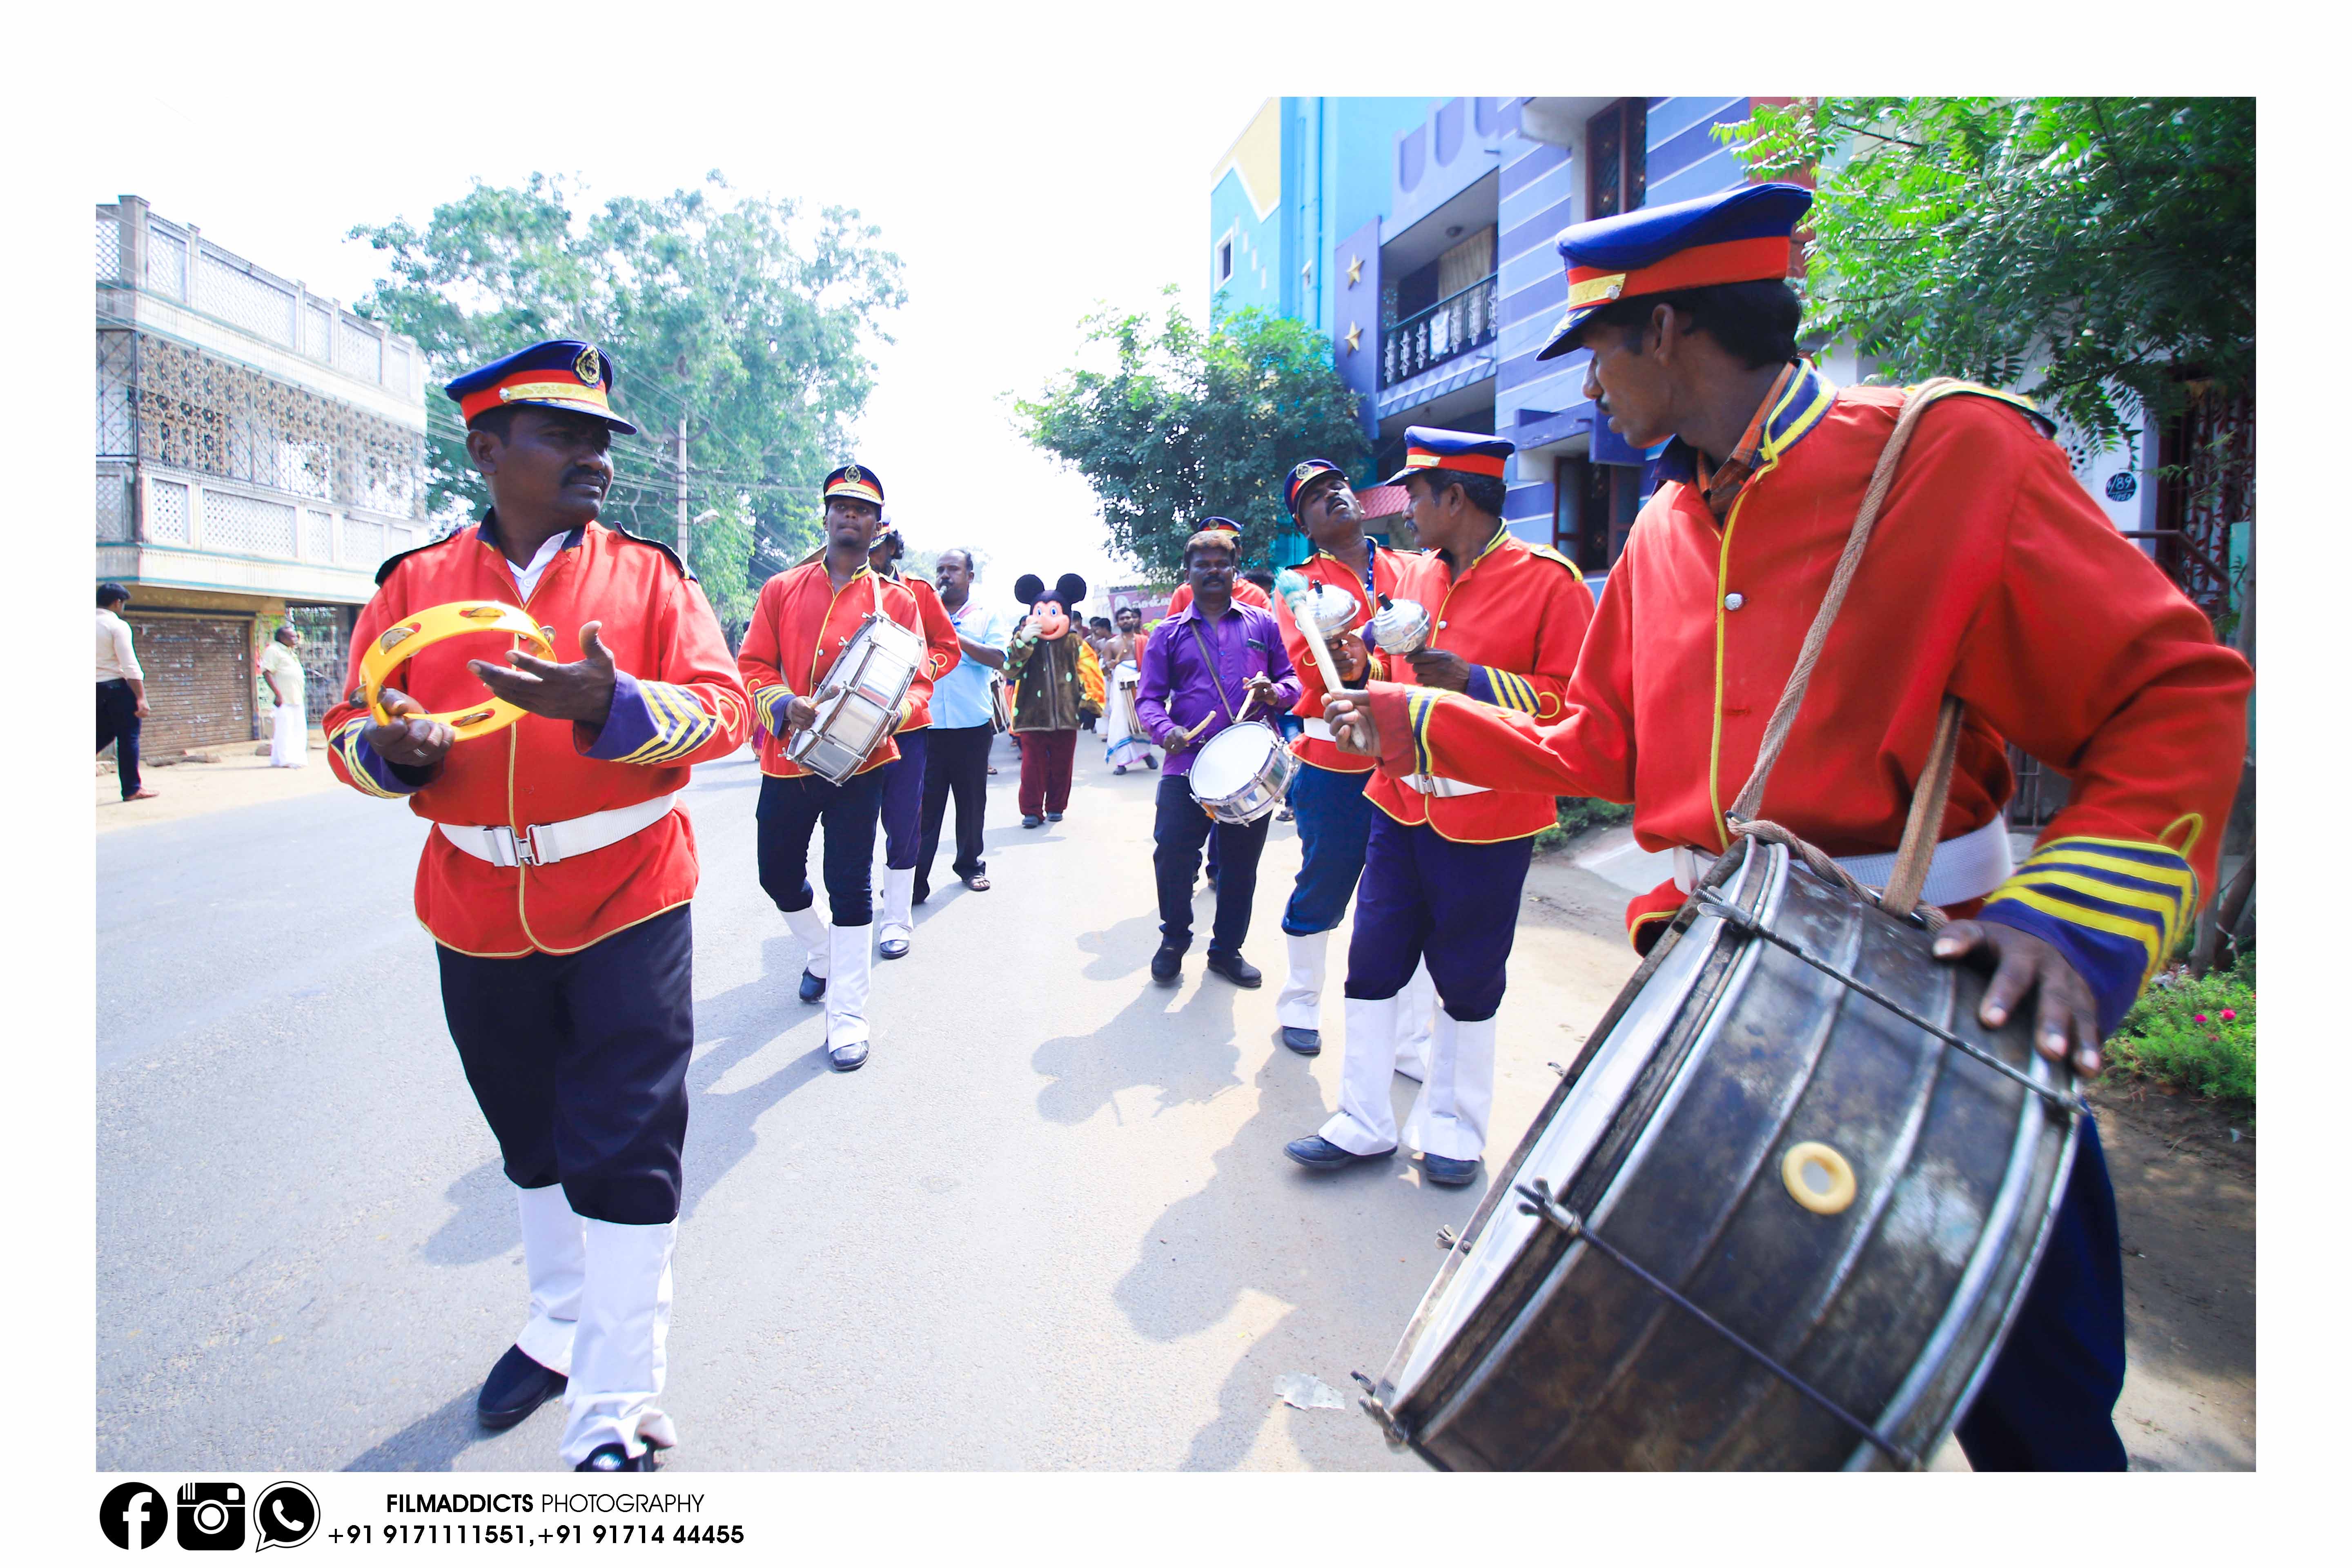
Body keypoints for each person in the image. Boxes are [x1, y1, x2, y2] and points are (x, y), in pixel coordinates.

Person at [1323, 183, 2254, 1469]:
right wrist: (1417, 718)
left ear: (1665, 335)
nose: (1589, 382)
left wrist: (2077, 921)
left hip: (1937, 1020)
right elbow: (1602, 743)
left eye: (1596, 348)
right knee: (1740, 1394)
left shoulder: (1941, 452)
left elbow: (2174, 692)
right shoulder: (1657, 528)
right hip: (1723, 1010)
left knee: (2037, 1418)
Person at [320, 340, 752, 1472]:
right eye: (564, 434)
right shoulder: (413, 584)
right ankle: (558, 1324)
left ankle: (616, 1398)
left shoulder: (651, 576)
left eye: (601, 439)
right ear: (485, 448)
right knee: (530, 1135)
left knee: (626, 1139)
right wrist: (396, 754)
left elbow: (724, 716)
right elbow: (346, 734)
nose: (594, 458)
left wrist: (613, 704)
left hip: (628, 888)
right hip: (471, 898)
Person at [1284, 427, 1593, 1188]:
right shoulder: (1415, 575)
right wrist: (1360, 667)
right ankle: (1363, 1120)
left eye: (1416, 496)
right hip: (1399, 799)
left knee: (1469, 973)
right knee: (1373, 959)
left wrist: (1475, 681)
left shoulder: (1552, 581)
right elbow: (1393, 671)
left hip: (1490, 815)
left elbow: (1575, 711)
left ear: (1456, 498)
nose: (1403, 509)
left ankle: (1453, 1129)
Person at [737, 463, 934, 1072]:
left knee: (850, 887)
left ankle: (847, 1013)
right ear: (825, 516)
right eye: (841, 506)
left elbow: (921, 681)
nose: (851, 517)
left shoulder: (899, 600)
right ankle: (821, 954)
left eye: (863, 510)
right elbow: (751, 667)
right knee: (777, 876)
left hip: (862, 764)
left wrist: (890, 714)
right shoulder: (781, 589)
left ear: (878, 524)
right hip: (787, 761)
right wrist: (781, 704)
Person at [1265, 459, 1436, 1067]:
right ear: (1304, 524)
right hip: (1335, 759)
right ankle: (1301, 1002)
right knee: (1327, 882)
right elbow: (1312, 666)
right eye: (1314, 496)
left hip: (1409, 754)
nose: (1333, 496)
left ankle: (1411, 1041)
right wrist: (1371, 654)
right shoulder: (1294, 583)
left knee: (1409, 899)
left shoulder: (1415, 567)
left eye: (1337, 486)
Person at [1134, 529, 1301, 987]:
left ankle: (1226, 951)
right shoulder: (1167, 633)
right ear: (1187, 574)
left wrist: (1276, 691)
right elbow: (1148, 700)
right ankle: (1174, 939)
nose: (1212, 570)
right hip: (1187, 765)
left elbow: (1294, 681)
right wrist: (1166, 732)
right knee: (1171, 851)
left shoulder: (1262, 624)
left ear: (1235, 570)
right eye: (1202, 564)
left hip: (1250, 768)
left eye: (1222, 563)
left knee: (1239, 867)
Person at [866, 520, 961, 960]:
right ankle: (856, 911)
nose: (869, 554)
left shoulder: (919, 592)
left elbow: (948, 647)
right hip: (853, 725)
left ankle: (897, 918)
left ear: (892, 549)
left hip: (906, 725)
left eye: (878, 546)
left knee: (904, 822)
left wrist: (914, 676)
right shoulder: (838, 587)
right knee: (852, 824)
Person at [916, 548, 1009, 900]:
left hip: (972, 725)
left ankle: (970, 866)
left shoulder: (986, 615)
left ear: (970, 576)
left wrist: (951, 635)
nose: (945, 576)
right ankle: (915, 881)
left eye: (953, 569)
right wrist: (934, 620)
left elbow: (999, 658)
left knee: (971, 802)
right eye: (940, 569)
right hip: (927, 725)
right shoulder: (922, 613)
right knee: (925, 806)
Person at [1004, 572, 1096, 828]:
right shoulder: (1024, 643)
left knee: (1062, 765)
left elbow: (1091, 674)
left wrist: (1090, 705)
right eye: (1041, 612)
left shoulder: (1075, 643)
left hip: (1067, 717)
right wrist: (1023, 642)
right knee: (1032, 767)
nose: (1047, 618)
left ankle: (1056, 806)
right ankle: (1031, 810)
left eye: (1054, 612)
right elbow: (1010, 670)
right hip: (1032, 717)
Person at [96, 583, 158, 802]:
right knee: (128, 737)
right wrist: (141, 698)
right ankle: (132, 789)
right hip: (116, 690)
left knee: (99, 735)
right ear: (117, 602)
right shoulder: (117, 626)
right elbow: (130, 665)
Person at [1163, 517, 1273, 615]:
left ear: (1238, 551)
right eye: (1207, 549)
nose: (1214, 570)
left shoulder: (1255, 595)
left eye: (1224, 548)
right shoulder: (1184, 593)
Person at [1101, 606, 1161, 775]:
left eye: (1129, 618)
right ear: (1117, 623)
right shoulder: (1111, 644)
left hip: (1142, 685)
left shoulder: (1144, 640)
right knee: (1121, 721)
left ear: (1134, 620)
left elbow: (1154, 663)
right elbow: (1104, 671)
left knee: (1143, 719)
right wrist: (1109, 665)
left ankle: (1146, 754)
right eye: (1123, 619)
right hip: (1120, 689)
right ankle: (1122, 762)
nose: (1127, 621)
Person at [260, 624, 308, 768]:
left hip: (296, 697)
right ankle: (286, 760)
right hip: (284, 699)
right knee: (285, 730)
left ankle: (283, 759)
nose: (295, 639)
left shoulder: (290, 652)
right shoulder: (273, 651)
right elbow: (267, 672)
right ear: (282, 638)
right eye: (292, 636)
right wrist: (278, 694)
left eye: (296, 636)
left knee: (298, 729)